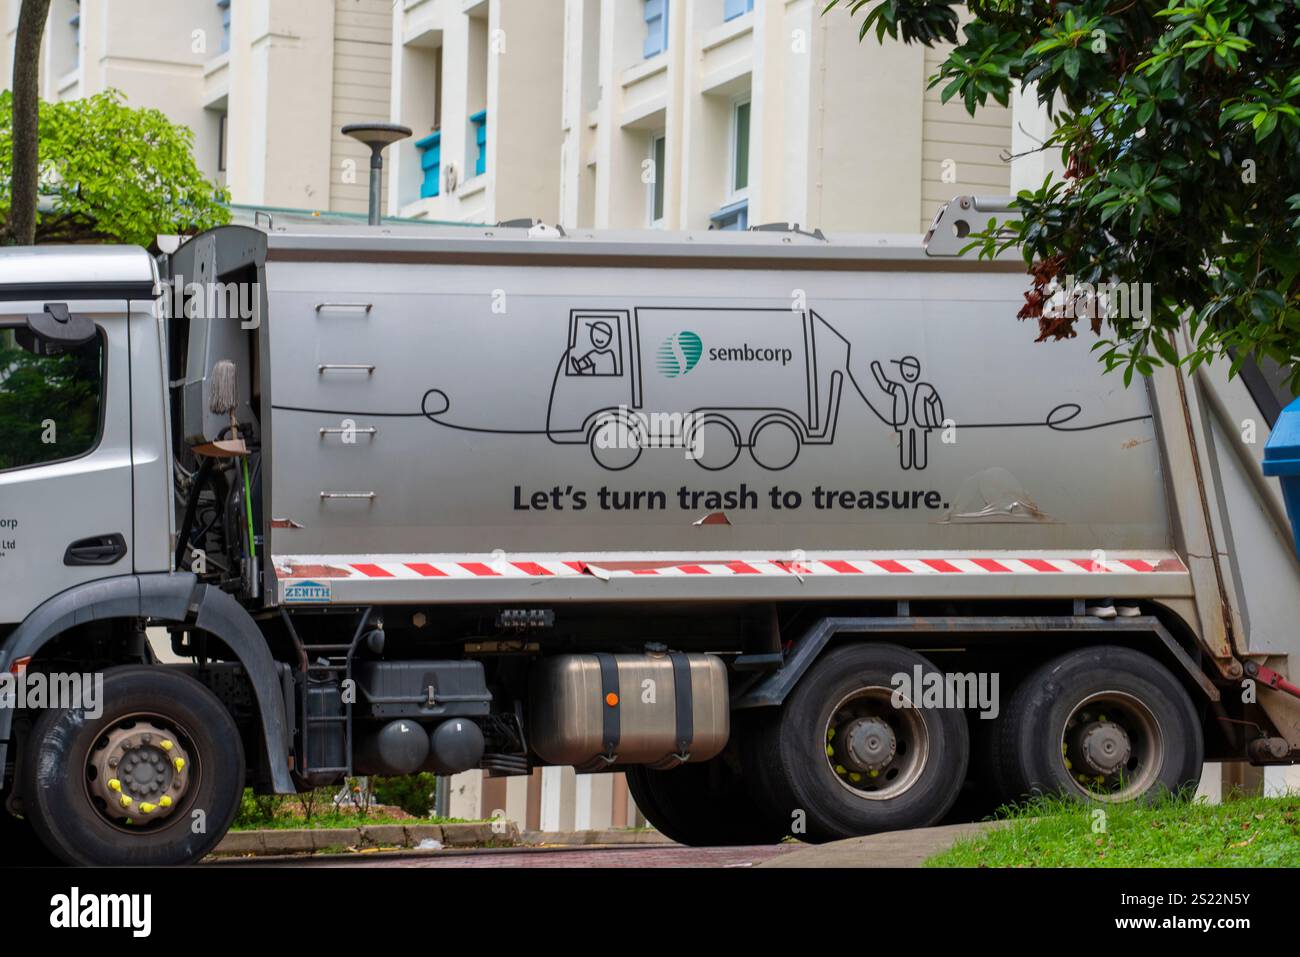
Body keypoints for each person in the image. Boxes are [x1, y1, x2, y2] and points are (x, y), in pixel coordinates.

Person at [870, 355, 944, 470]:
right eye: (906, 368)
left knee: (920, 446)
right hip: (903, 423)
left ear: (918, 371)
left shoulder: (923, 388)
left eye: (912, 368)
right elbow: (884, 384)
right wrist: (876, 368)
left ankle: (920, 464)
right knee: (905, 449)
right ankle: (907, 464)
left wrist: (937, 420)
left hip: (920, 424)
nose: (909, 372)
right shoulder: (898, 388)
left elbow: (935, 402)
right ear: (902, 370)